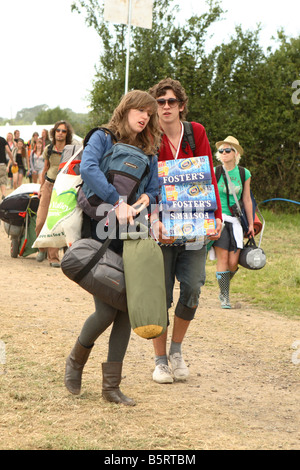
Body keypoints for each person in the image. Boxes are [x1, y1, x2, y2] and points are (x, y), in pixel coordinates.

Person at [64, 90, 161, 406]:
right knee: (107, 308)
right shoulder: (103, 137)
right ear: (126, 109)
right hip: (100, 228)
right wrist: (116, 200)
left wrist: (147, 199)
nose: (145, 115)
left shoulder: (149, 151)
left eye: (149, 112)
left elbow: (155, 188)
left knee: (125, 310)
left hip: (132, 232)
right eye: (140, 109)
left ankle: (111, 388)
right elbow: (88, 168)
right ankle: (76, 361)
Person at [148, 78, 222, 384]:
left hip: (194, 227)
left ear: (181, 105)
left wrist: (218, 216)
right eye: (160, 102)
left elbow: (208, 177)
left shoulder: (196, 133)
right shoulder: (148, 136)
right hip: (162, 228)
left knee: (192, 288)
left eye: (171, 102)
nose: (166, 107)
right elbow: (145, 186)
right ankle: (160, 361)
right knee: (160, 295)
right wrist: (154, 221)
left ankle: (176, 352)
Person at [212, 136, 254, 309]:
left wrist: (250, 224)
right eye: (221, 150)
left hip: (236, 222)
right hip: (220, 220)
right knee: (223, 258)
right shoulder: (215, 172)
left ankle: (224, 284)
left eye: (227, 150)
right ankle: (224, 296)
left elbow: (247, 200)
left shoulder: (244, 173)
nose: (223, 153)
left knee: (233, 262)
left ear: (235, 153)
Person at [35, 120, 73, 267]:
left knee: (56, 222)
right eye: (58, 130)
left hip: (63, 189)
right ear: (54, 132)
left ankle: (54, 257)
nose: (60, 133)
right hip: (48, 185)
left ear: (67, 134)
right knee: (41, 220)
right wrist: (41, 187)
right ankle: (41, 249)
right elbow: (45, 169)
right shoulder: (49, 149)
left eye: (63, 131)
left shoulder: (71, 150)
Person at [0, 135, 16, 199]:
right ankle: (3, 195)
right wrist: (13, 161)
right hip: (2, 164)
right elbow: (9, 151)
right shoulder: (2, 140)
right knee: (3, 180)